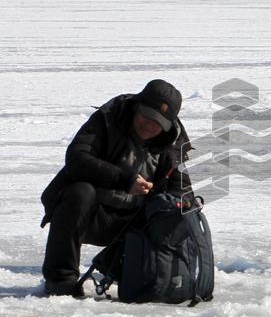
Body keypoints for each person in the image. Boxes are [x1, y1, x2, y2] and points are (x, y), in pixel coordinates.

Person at [39, 79, 193, 297]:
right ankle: (61, 279)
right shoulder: (109, 117)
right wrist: (125, 180)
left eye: (158, 123)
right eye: (147, 117)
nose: (149, 126)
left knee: (174, 210)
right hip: (92, 215)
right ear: (136, 107)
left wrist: (174, 204)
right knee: (79, 192)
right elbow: (76, 159)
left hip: (133, 225)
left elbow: (183, 192)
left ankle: (121, 265)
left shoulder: (173, 141)